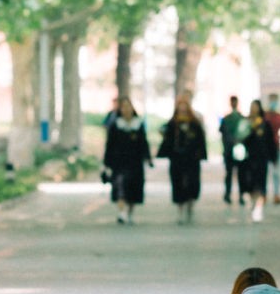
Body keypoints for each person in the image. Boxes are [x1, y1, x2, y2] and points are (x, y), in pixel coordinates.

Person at [157, 94, 208, 223]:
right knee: (178, 184)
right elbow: (166, 136)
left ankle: (190, 206)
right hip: (177, 159)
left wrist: (201, 155)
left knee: (192, 183)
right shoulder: (172, 123)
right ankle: (180, 211)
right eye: (180, 108)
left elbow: (201, 140)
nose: (183, 111)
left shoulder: (194, 124)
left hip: (192, 159)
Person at [103, 96, 152, 224]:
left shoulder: (138, 124)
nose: (126, 109)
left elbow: (143, 143)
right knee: (120, 186)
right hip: (119, 161)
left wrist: (147, 158)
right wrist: (106, 163)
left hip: (135, 162)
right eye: (123, 107)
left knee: (133, 187)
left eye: (128, 106)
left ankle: (129, 212)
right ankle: (121, 212)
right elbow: (110, 144)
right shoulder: (116, 125)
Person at [239, 99, 274, 223]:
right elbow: (239, 138)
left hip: (261, 158)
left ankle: (258, 207)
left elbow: (270, 142)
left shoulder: (264, 124)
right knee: (249, 183)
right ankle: (254, 203)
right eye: (251, 106)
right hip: (247, 158)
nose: (253, 109)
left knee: (260, 183)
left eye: (255, 106)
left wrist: (273, 157)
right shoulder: (245, 123)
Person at [219, 95, 244, 205]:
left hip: (237, 150)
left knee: (240, 174)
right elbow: (223, 135)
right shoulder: (227, 119)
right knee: (229, 173)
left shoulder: (241, 118)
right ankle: (228, 194)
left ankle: (241, 195)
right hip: (229, 150)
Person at [264, 93, 280, 205]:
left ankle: (277, 194)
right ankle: (263, 194)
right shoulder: (264, 115)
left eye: (275, 100)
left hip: (276, 147)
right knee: (264, 171)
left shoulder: (279, 116)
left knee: (276, 172)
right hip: (265, 147)